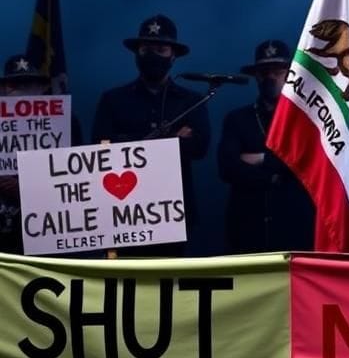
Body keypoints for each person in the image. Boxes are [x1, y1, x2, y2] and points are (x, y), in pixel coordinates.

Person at [91, 14, 210, 256]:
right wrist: (171, 142)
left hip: (172, 214)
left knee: (166, 285)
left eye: (160, 49)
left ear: (173, 55)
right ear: (136, 53)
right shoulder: (113, 99)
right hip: (122, 214)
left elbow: (199, 147)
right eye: (146, 49)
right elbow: (100, 148)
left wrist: (127, 141)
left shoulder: (191, 101)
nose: (153, 55)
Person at [218, 39, 313, 253]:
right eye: (263, 72)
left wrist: (262, 159)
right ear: (256, 76)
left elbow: (306, 164)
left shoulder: (306, 120)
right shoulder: (237, 119)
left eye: (277, 72)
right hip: (247, 227)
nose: (270, 77)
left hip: (294, 227)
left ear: (289, 75)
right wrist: (274, 175)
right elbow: (227, 168)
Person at [0, 54, 83, 254]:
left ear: (43, 88)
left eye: (29, 85)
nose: (21, 92)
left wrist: (27, 187)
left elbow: (79, 171)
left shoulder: (66, 122)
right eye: (14, 85)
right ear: (2, 89)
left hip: (48, 229)